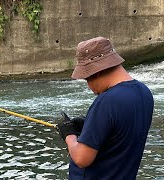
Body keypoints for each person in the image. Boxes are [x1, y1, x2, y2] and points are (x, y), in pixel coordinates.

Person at [57, 37, 154, 179]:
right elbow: (120, 134)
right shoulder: (144, 92)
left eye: (86, 79)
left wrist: (69, 134)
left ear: (96, 71)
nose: (89, 87)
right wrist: (88, 127)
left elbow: (82, 158)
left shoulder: (106, 101)